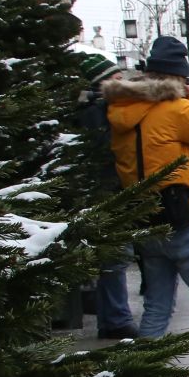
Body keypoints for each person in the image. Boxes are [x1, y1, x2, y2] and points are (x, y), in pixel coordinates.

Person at [104, 36, 189, 377]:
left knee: (156, 308)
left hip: (144, 217)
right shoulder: (176, 108)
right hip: (185, 216)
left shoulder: (121, 110)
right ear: (180, 76)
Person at [75, 54, 138, 340]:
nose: (121, 83)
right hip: (105, 190)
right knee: (114, 255)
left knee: (115, 255)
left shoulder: (101, 108)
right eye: (115, 80)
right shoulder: (96, 113)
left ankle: (113, 316)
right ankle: (115, 318)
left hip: (111, 188)